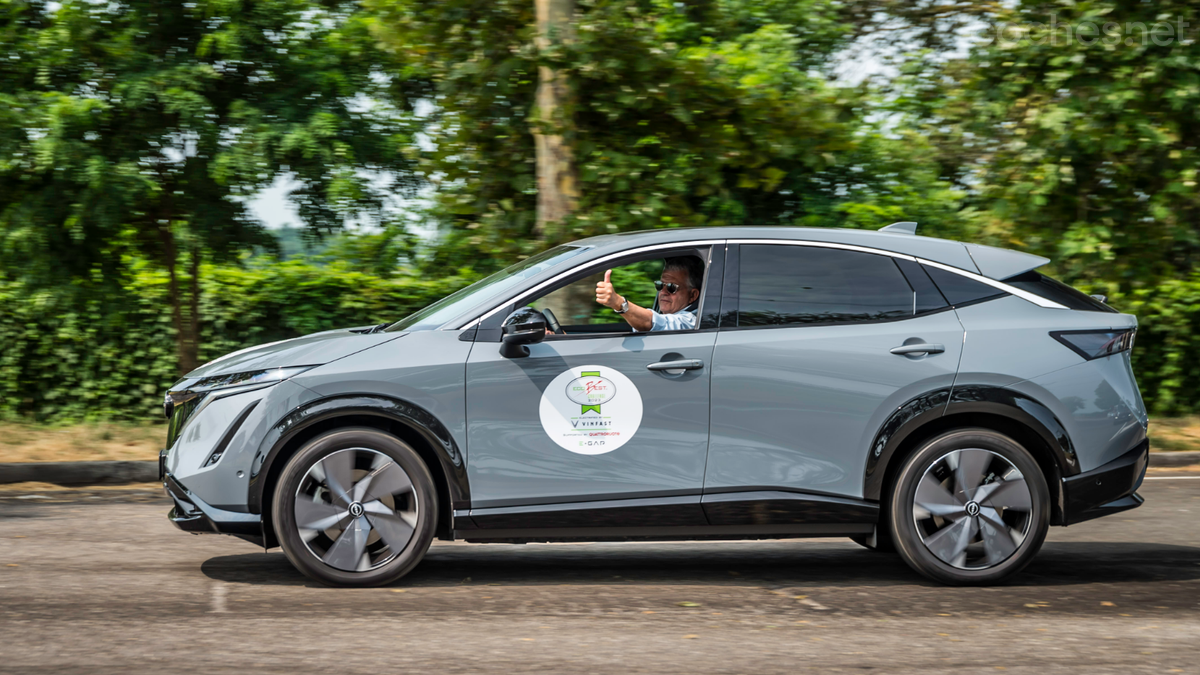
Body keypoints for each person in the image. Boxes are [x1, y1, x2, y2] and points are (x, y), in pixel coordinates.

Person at [595, 256, 703, 332]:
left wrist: (618, 303)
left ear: (693, 295)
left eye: (671, 287)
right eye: (660, 285)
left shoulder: (692, 322)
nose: (663, 292)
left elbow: (653, 322)